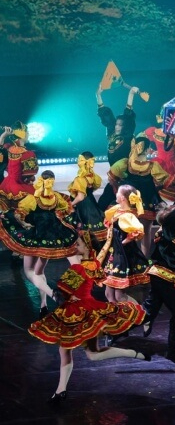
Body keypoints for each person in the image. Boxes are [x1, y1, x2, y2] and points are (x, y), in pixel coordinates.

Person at [28, 235, 150, 404]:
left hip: (77, 311)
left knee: (70, 351)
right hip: (87, 308)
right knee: (90, 354)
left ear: (87, 247)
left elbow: (63, 290)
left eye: (78, 244)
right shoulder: (94, 265)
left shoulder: (78, 268)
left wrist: (50, 287)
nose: (74, 246)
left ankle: (61, 391)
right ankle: (131, 353)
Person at [0, 170, 79, 317]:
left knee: (29, 272)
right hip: (51, 239)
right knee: (39, 272)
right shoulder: (56, 197)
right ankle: (43, 306)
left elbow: (19, 215)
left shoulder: (32, 199)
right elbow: (66, 210)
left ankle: (52, 294)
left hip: (35, 237)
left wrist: (23, 223)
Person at [142, 197, 175, 366]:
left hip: (163, 276)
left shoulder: (172, 231)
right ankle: (172, 351)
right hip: (161, 276)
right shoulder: (168, 233)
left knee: (149, 311)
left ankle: (116, 328)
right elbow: (168, 257)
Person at [96, 185, 150, 303]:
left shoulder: (127, 216)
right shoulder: (117, 210)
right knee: (109, 294)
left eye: (118, 193)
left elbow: (137, 232)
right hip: (114, 253)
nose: (116, 194)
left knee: (119, 295)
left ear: (122, 198)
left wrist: (122, 243)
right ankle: (118, 313)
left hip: (121, 256)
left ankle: (136, 311)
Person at [96, 84, 138, 209]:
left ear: (125, 126)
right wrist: (98, 95)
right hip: (114, 175)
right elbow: (105, 115)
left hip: (127, 175)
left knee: (130, 199)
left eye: (120, 125)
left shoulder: (127, 136)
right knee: (104, 201)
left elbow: (128, 113)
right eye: (116, 124)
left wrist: (131, 94)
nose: (117, 127)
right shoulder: (112, 134)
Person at [68, 152, 107, 249]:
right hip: (92, 204)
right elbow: (93, 188)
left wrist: (71, 204)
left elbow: (80, 197)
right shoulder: (92, 176)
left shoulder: (80, 179)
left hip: (84, 208)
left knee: (87, 235)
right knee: (97, 236)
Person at [0, 122, 38, 209]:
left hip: (6, 185)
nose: (28, 134)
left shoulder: (9, 148)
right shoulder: (28, 154)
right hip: (20, 187)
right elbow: (28, 176)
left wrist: (3, 135)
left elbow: (1, 147)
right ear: (22, 134)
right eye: (27, 132)